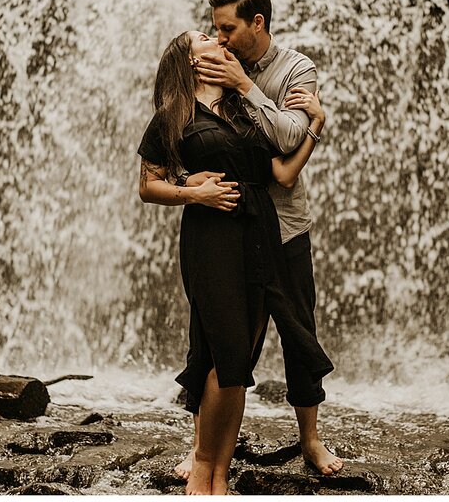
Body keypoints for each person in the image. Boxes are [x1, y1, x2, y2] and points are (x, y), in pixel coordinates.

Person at [138, 30, 333, 495]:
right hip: (212, 239)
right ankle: (203, 470)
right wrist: (194, 192)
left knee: (239, 360)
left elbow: (283, 173)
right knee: (223, 353)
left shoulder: (246, 107)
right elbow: (148, 186)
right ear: (189, 61)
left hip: (260, 233)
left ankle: (219, 475)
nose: (217, 36)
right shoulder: (172, 116)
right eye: (205, 36)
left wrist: (315, 126)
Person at [175, 0, 343, 478]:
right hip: (228, 228)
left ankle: (310, 439)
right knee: (214, 338)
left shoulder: (296, 68)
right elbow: (185, 131)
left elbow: (288, 142)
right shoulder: (212, 62)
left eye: (226, 27)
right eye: (214, 27)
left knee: (298, 329)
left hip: (285, 225)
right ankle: (201, 450)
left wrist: (245, 87)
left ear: (257, 23)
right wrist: (187, 180)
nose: (218, 37)